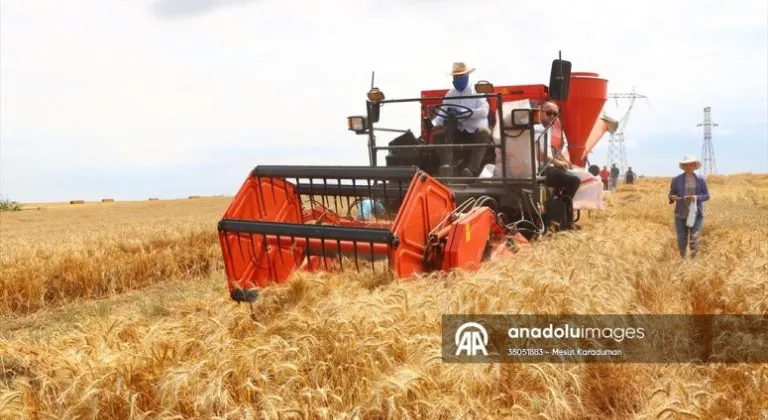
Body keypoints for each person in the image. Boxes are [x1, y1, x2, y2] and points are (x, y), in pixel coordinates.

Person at [426, 62, 494, 177]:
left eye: (461, 76)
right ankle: (449, 167)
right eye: (456, 76)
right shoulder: (450, 94)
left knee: (484, 134)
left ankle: (472, 170)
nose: (458, 79)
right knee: (438, 136)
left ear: (467, 75)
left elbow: (484, 112)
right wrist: (431, 124)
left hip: (476, 130)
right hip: (459, 131)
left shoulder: (477, 91)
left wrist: (463, 112)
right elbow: (442, 115)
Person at [535, 101, 581, 200]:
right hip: (539, 169)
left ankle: (557, 202)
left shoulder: (548, 130)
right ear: (540, 112)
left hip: (547, 167)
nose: (552, 116)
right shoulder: (536, 129)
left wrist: (565, 161)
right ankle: (560, 207)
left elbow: (550, 152)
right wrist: (555, 162)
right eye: (548, 113)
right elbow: (536, 152)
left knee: (576, 175)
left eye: (555, 114)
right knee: (574, 180)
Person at [668, 155, 710, 258]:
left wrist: (695, 197)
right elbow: (672, 194)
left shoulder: (700, 180)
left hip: (696, 213)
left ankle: (694, 261)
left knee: (694, 239)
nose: (688, 167)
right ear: (683, 166)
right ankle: (682, 258)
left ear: (694, 166)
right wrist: (672, 198)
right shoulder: (676, 179)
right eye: (686, 165)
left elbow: (707, 195)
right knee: (682, 239)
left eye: (690, 165)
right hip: (680, 213)